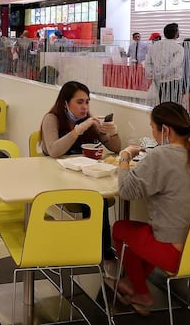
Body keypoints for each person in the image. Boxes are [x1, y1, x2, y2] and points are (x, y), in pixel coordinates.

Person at [111, 102, 190, 315]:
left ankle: (141, 292)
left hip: (178, 254)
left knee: (121, 229)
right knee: (148, 231)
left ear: (165, 130)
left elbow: (126, 190)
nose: (154, 135)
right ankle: (130, 283)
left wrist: (125, 156)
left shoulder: (161, 156)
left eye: (153, 129)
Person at [39, 80, 120, 264]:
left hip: (83, 176)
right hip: (56, 177)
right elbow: (53, 150)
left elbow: (115, 148)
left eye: (87, 102)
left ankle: (98, 247)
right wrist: (76, 131)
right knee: (94, 198)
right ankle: (99, 248)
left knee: (96, 196)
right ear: (65, 103)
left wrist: (113, 132)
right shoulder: (51, 119)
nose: (85, 107)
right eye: (80, 102)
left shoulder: (88, 121)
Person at [144, 23, 183, 104]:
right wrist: (162, 74)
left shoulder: (155, 46)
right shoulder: (178, 47)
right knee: (173, 105)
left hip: (158, 80)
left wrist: (154, 74)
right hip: (173, 80)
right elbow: (175, 65)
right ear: (176, 34)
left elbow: (148, 62)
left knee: (162, 103)